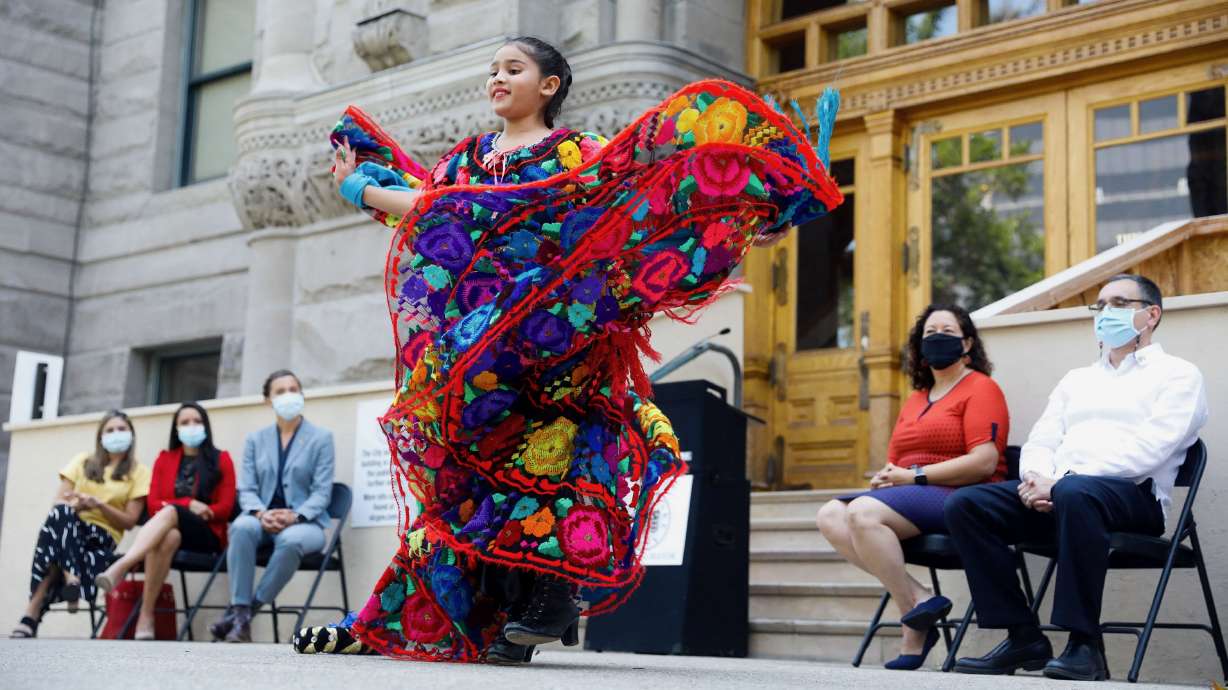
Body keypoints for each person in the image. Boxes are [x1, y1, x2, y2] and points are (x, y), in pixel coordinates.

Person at [320, 36, 844, 663]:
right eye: (492, 70)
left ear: (548, 86)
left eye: (512, 69)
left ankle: (548, 597)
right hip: (478, 342)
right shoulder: (465, 159)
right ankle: (477, 615)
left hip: (559, 334)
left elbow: (644, 204)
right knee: (462, 468)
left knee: (551, 457)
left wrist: (763, 192)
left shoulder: (578, 155)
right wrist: (367, 184)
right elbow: (438, 215)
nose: (497, 78)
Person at [945, 274, 1207, 681]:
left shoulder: (1178, 376)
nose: (1106, 313)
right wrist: (1036, 479)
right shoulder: (1077, 380)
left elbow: (1148, 452)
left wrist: (1062, 480)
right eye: (1100, 305)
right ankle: (1022, 636)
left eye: (1119, 303)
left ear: (1151, 315)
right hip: (1063, 496)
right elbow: (1042, 439)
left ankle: (1084, 644)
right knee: (968, 505)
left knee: (1077, 491)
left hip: (1133, 499)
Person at [816, 304, 1009, 670]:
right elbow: (898, 460)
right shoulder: (916, 399)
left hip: (963, 498)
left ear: (967, 343)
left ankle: (913, 625)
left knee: (862, 511)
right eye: (929, 332)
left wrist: (915, 476)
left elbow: (984, 462)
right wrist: (888, 477)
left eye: (947, 331)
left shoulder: (981, 388)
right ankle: (917, 601)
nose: (937, 338)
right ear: (920, 347)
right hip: (913, 495)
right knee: (829, 514)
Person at [209, 370, 336, 643]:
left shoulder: (321, 438)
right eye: (280, 391)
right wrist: (260, 513)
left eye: (294, 388)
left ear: (302, 394)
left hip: (306, 523)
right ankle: (240, 607)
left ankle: (243, 615)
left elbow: (322, 493)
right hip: (262, 519)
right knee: (242, 526)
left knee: (290, 541)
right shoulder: (256, 440)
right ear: (268, 399)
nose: (288, 395)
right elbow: (248, 488)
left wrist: (295, 515)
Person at [95, 402, 236, 639]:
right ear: (176, 429)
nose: (191, 426)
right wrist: (188, 504)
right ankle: (146, 618)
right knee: (168, 535)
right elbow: (153, 504)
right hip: (174, 533)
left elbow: (225, 508)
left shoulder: (221, 459)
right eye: (184, 422)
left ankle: (123, 565)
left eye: (196, 421)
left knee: (170, 512)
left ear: (206, 426)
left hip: (207, 536)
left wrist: (186, 508)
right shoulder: (165, 459)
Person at [11, 410, 151, 638]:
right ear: (100, 436)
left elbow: (129, 521)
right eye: (110, 430)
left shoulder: (139, 472)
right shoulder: (82, 461)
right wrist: (79, 505)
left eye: (122, 429)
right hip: (71, 525)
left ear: (132, 435)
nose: (116, 434)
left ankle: (31, 614)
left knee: (53, 546)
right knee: (61, 513)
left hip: (102, 538)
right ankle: (72, 578)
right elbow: (59, 501)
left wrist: (98, 505)